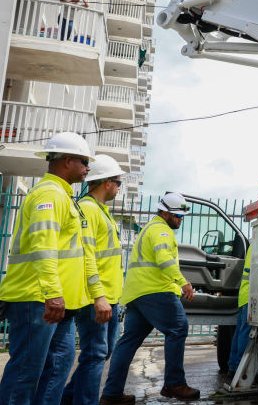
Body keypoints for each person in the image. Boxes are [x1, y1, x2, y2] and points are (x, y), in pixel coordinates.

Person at [0, 132, 111, 405]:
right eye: (84, 162)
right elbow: (44, 245)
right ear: (67, 161)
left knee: (57, 367)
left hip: (57, 303)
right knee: (26, 372)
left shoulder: (63, 195)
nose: (88, 168)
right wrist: (52, 292)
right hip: (37, 299)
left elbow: (74, 253)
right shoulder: (49, 194)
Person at [100, 193, 200, 404]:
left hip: (138, 293)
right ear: (164, 212)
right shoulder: (160, 230)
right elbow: (164, 260)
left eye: (182, 216)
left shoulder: (149, 228)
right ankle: (174, 383)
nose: (180, 220)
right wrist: (183, 282)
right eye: (177, 216)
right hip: (156, 290)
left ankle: (111, 394)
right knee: (178, 328)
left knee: (128, 342)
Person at [62, 155, 126, 405]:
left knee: (101, 351)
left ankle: (68, 399)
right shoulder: (88, 209)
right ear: (107, 183)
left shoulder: (101, 211)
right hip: (96, 297)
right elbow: (87, 254)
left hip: (108, 296)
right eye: (118, 182)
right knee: (95, 353)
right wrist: (98, 296)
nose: (119, 187)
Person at [226, 246, 252, 376]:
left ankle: (233, 366)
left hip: (244, 295)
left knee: (239, 333)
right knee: (245, 333)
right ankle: (240, 369)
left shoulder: (252, 246)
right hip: (250, 295)